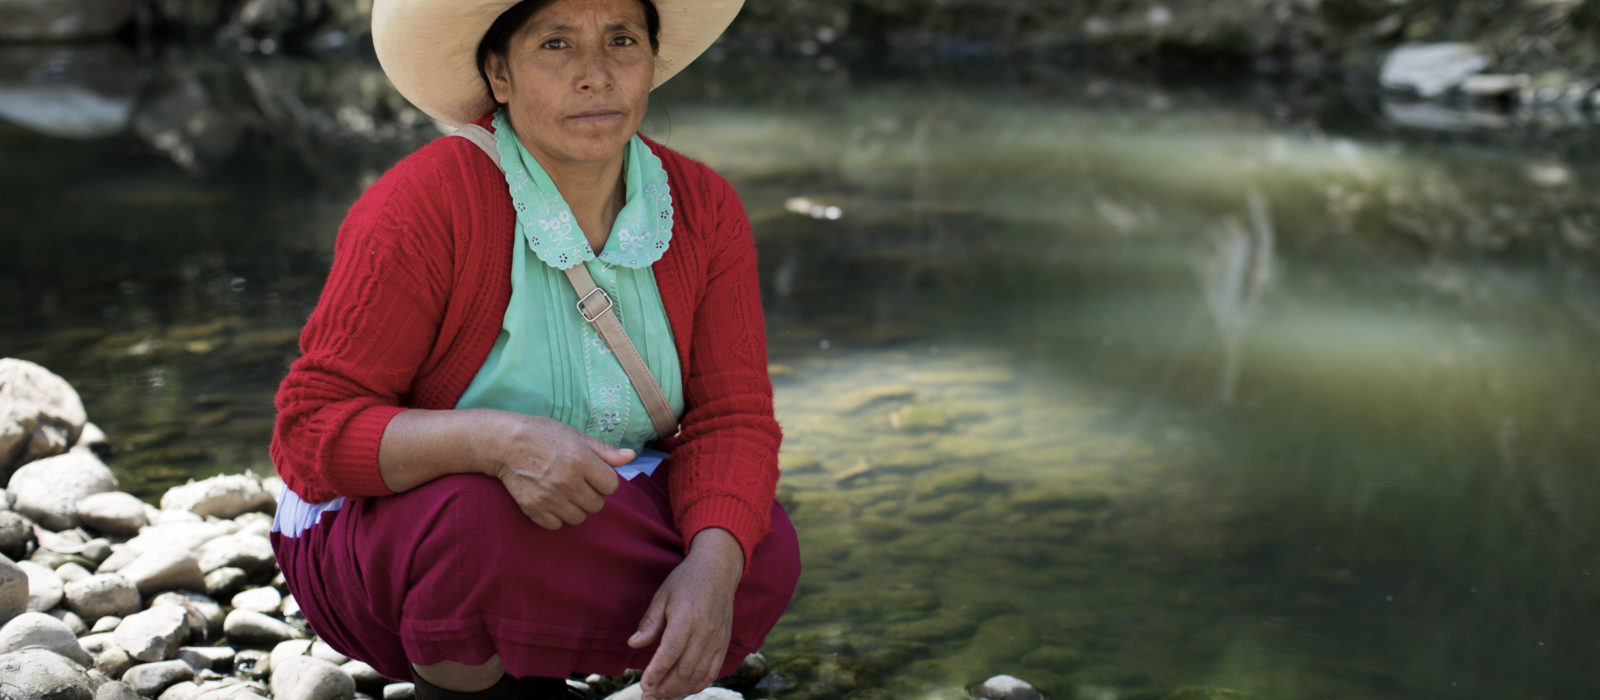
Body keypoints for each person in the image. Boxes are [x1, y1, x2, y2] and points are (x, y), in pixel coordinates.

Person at [266, 0, 800, 698]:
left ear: (652, 61)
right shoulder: (423, 202)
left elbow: (732, 420)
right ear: (499, 74)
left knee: (754, 545)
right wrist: (499, 442)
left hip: (578, 506)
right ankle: (468, 679)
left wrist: (712, 569)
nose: (596, 74)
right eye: (556, 44)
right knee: (471, 523)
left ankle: (539, 651)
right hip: (392, 522)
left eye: (622, 41)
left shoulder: (703, 207)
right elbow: (310, 434)